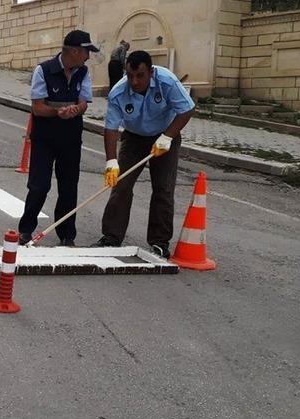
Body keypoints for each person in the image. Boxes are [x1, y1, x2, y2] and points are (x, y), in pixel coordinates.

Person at [92, 50, 195, 258]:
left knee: (163, 189)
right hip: (134, 137)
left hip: (166, 135)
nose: (134, 81)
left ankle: (159, 242)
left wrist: (167, 137)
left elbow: (186, 109)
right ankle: (111, 237)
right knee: (121, 184)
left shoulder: (167, 81)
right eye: (130, 75)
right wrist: (111, 161)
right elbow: (111, 128)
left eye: (140, 76)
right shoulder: (118, 93)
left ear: (151, 72)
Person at [17, 30, 98, 247]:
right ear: (74, 51)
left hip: (71, 138)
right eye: (86, 52)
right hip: (45, 137)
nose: (88, 57)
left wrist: (77, 109)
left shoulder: (84, 72)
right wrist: (59, 112)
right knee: (39, 185)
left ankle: (67, 234)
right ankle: (26, 230)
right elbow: (38, 107)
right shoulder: (43, 71)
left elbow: (84, 102)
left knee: (69, 186)